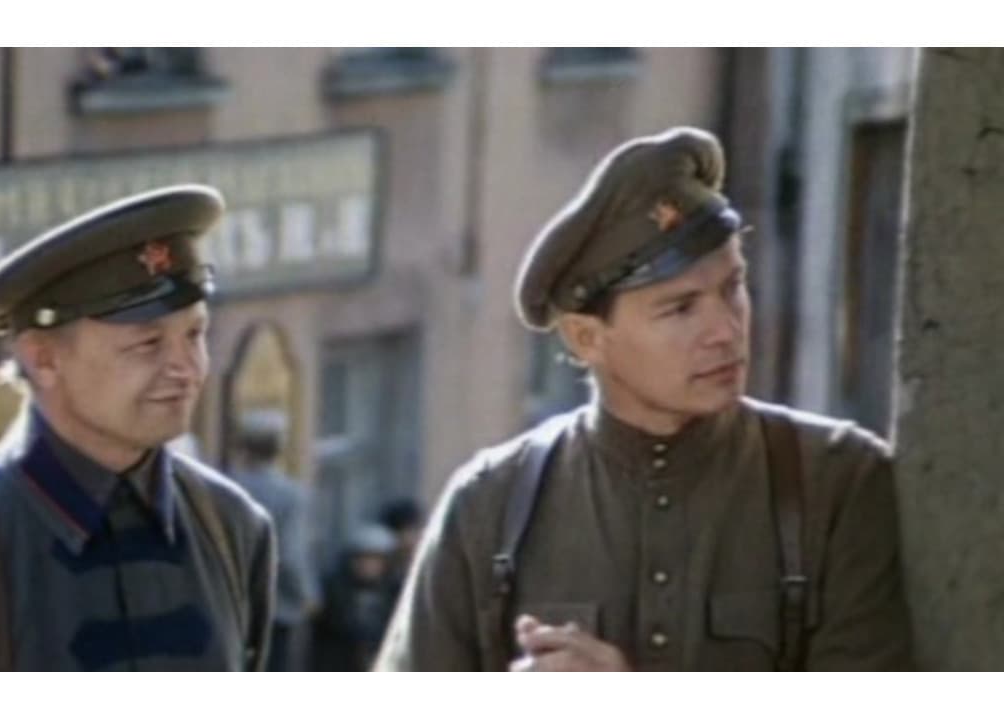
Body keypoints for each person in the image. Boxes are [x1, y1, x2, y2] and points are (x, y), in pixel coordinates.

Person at [375, 127, 913, 671]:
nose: (726, 330)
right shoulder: (490, 505)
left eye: (732, 289)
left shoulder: (838, 482)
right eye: (681, 308)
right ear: (587, 338)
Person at [0, 185, 276, 670]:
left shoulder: (233, 529)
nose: (185, 367)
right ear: (43, 358)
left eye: (195, 334)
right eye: (147, 344)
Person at [229, 409, 321, 671]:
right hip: (275, 605)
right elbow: (290, 554)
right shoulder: (289, 495)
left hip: (227, 601)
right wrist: (308, 594)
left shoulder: (223, 486)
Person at [313, 524, 398, 671]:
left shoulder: (393, 590)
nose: (368, 565)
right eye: (362, 559)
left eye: (374, 560)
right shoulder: (336, 589)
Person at [377, 497, 423, 603]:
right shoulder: (383, 563)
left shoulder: (424, 560)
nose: (411, 537)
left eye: (415, 530)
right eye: (406, 531)